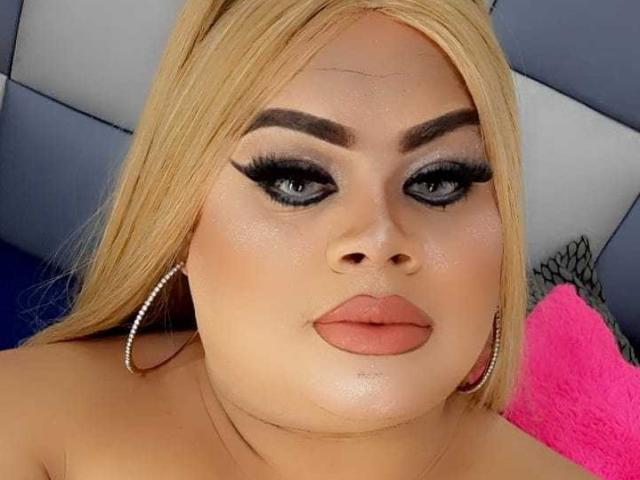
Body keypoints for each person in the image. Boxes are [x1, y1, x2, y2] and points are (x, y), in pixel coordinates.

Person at [0, 1, 598, 478]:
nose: (378, 237)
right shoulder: (26, 421)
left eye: (438, 181)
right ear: (180, 218)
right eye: (296, 180)